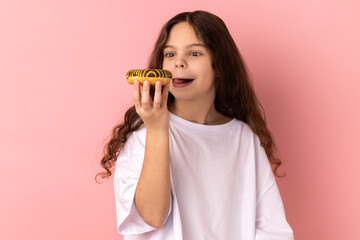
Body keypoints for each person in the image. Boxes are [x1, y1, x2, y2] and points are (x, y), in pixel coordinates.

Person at [96, 10, 294, 240]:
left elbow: (272, 229)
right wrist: (158, 129)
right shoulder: (144, 134)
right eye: (170, 54)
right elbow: (151, 216)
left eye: (194, 52)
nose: (179, 62)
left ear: (218, 66)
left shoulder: (244, 138)